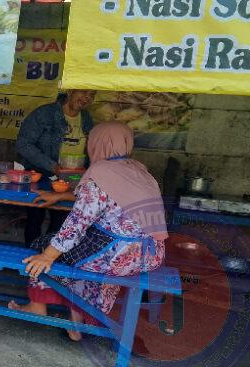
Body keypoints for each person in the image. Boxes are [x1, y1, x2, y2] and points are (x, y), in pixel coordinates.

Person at [9, 122, 168, 341]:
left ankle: (38, 306)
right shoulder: (139, 171)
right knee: (76, 253)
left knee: (45, 245)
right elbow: (111, 198)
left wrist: (47, 255)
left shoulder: (100, 172)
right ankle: (76, 326)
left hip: (117, 256)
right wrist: (62, 196)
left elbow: (76, 224)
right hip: (150, 255)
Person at [16, 90, 97, 247]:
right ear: (70, 91)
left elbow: (91, 149)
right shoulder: (44, 114)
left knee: (61, 221)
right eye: (84, 92)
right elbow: (23, 144)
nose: (87, 97)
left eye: (92, 94)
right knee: (35, 218)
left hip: (72, 179)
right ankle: (31, 260)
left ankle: (48, 259)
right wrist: (51, 165)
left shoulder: (86, 118)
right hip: (43, 177)